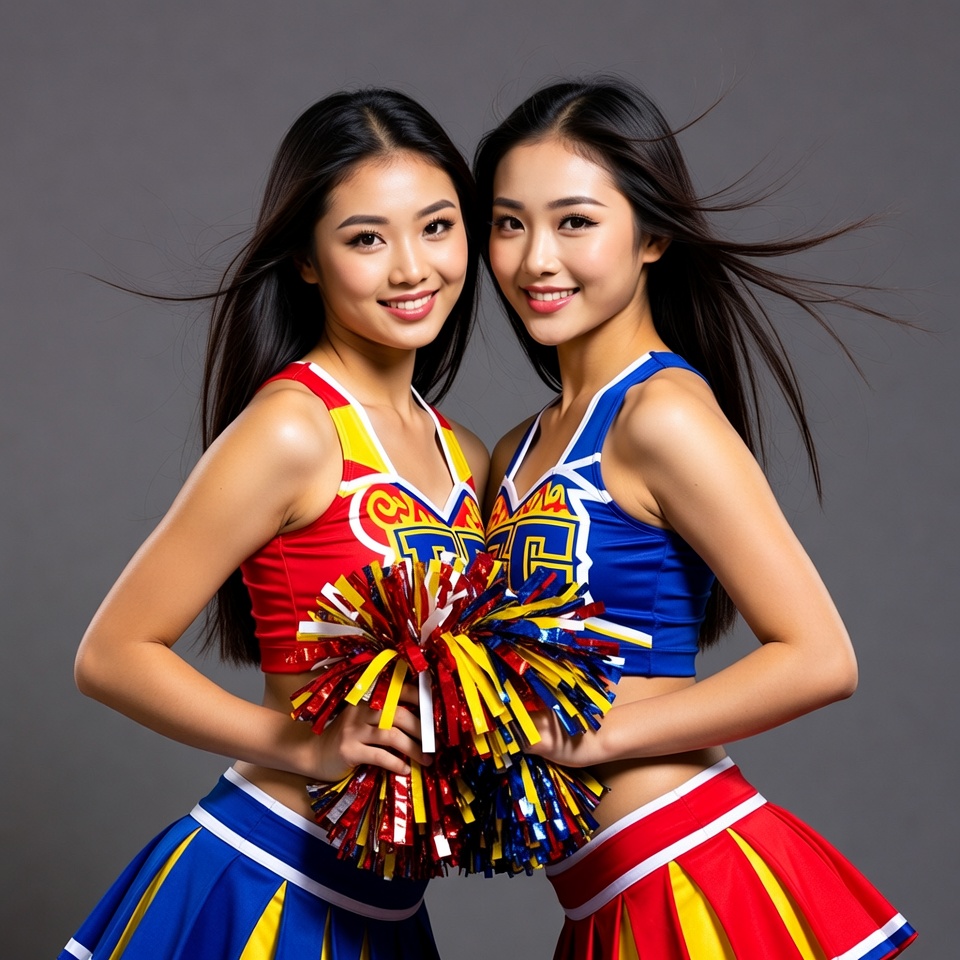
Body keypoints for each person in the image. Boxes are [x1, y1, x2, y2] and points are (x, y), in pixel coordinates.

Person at [476, 78, 916, 960]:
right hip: (603, 901)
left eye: (575, 221)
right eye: (509, 223)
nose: (535, 260)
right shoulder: (515, 450)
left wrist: (596, 735)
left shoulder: (661, 415)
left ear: (653, 236)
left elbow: (821, 658)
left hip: (692, 879)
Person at [60, 88, 487, 960]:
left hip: (387, 910)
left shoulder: (466, 456)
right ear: (306, 259)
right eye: (366, 239)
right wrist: (306, 745)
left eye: (437, 227)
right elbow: (110, 655)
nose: (413, 268)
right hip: (264, 886)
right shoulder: (293, 428)